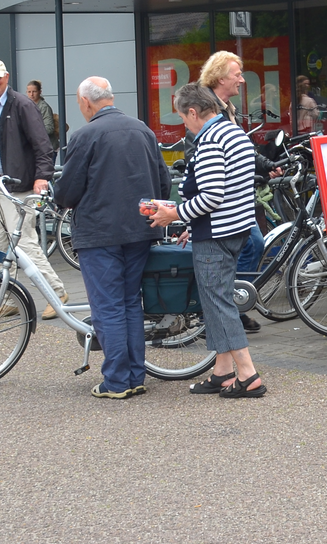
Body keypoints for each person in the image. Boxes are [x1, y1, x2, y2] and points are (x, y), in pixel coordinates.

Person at [55, 76, 169, 399]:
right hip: (140, 229)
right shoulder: (143, 130)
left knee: (107, 307)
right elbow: (163, 182)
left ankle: (117, 380)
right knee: (131, 301)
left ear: (87, 103)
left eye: (79, 104)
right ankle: (136, 375)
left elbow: (68, 190)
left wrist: (58, 197)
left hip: (99, 232)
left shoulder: (85, 135)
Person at [147, 82, 264, 398]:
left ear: (194, 112)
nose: (184, 124)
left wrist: (176, 215)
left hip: (217, 234)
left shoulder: (210, 140)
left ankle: (248, 374)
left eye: (184, 118)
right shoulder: (234, 133)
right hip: (235, 228)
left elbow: (212, 195)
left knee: (218, 304)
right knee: (217, 302)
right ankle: (223, 372)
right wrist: (193, 221)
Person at [0, 59, 67, 318]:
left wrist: (43, 176)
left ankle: (56, 292)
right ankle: (5, 300)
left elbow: (42, 144)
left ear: (7, 77)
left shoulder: (21, 105)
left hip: (18, 187)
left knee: (25, 245)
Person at [199, 51, 264, 333]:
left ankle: (231, 305)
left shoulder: (228, 107)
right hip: (222, 201)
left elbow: (240, 147)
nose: (241, 79)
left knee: (253, 245)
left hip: (232, 197)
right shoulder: (205, 107)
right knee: (252, 243)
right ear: (220, 76)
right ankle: (230, 308)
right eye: (237, 74)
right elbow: (205, 151)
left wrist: (266, 164)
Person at [26, 81, 59, 146]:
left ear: (39, 92)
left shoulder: (44, 107)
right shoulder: (26, 106)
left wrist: (32, 132)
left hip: (47, 146)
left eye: (34, 91)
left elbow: (49, 128)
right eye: (29, 92)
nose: (31, 94)